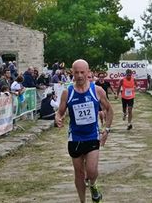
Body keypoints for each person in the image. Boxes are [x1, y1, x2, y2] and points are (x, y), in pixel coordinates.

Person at [55, 59, 113, 203]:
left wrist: (107, 129)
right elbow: (60, 112)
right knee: (79, 173)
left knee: (92, 171)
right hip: (75, 138)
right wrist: (57, 118)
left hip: (92, 136)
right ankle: (83, 201)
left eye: (82, 72)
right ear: (72, 73)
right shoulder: (67, 93)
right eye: (76, 72)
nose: (80, 75)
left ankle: (93, 185)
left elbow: (109, 109)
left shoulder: (97, 90)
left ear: (88, 73)